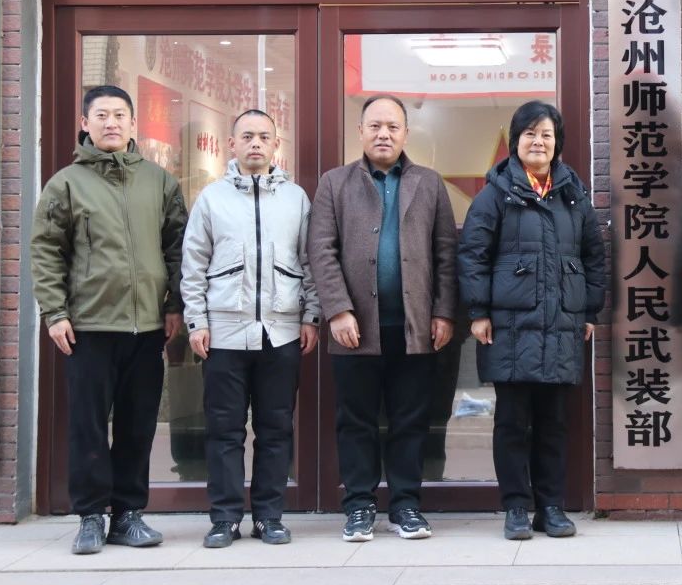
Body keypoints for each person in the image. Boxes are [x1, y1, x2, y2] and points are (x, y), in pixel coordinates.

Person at [30, 85, 188, 555]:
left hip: (147, 328)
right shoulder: (66, 184)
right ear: (85, 123)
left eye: (120, 114)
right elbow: (46, 251)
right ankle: (90, 517)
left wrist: (175, 305)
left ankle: (128, 515)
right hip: (89, 326)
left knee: (138, 426)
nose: (111, 123)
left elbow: (178, 247)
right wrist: (54, 311)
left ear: (133, 123)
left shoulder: (159, 181)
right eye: (101, 115)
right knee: (89, 427)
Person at [307, 95, 457, 542]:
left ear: (406, 133)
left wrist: (443, 311)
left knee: (411, 419)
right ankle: (359, 506)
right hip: (354, 328)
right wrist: (337, 310)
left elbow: (446, 252)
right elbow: (321, 250)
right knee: (356, 421)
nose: (383, 134)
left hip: (414, 327)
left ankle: (406, 505)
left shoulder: (429, 183)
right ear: (360, 132)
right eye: (374, 126)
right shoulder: (334, 183)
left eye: (392, 126)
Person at [457, 101, 605, 541]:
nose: (538, 142)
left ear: (557, 143)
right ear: (516, 141)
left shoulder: (573, 195)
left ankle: (551, 507)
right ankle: (516, 508)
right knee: (511, 423)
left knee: (554, 423)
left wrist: (590, 310)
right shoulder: (494, 195)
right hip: (509, 328)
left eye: (546, 135)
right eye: (530, 134)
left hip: (561, 325)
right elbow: (473, 256)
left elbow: (594, 257)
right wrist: (478, 312)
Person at [181, 109, 321, 548]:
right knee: (224, 431)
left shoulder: (296, 199)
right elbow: (193, 264)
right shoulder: (211, 199)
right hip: (224, 334)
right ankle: (224, 518)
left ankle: (269, 516)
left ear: (276, 144)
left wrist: (310, 316)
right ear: (232, 144)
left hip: (281, 332)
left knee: (276, 430)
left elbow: (310, 262)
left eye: (264, 136)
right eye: (247, 136)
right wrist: (196, 321)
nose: (256, 143)